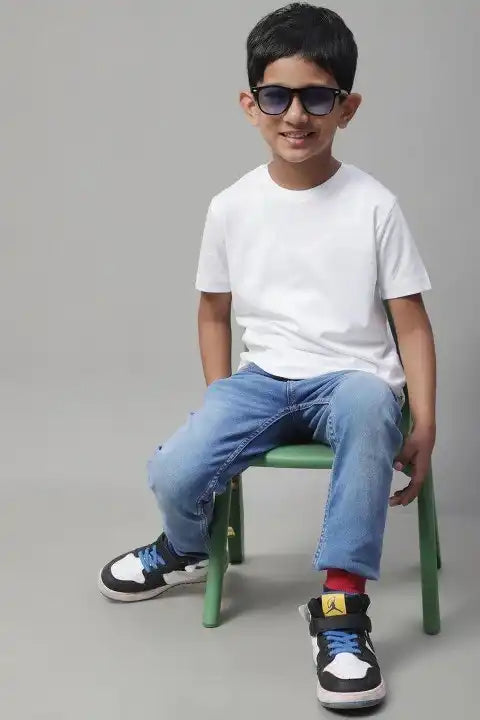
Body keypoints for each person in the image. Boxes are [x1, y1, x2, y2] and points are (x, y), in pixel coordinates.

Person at [98, 3, 436, 711]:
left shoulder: (374, 205)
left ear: (348, 107)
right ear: (250, 105)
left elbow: (410, 321)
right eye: (277, 97)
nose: (296, 116)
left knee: (370, 403)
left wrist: (425, 419)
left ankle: (341, 612)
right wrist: (219, 396)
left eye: (318, 97)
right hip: (264, 380)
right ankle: (186, 546)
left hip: (352, 382)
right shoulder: (231, 206)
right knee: (176, 467)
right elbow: (213, 311)